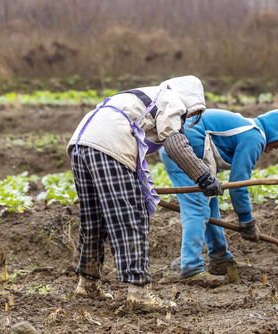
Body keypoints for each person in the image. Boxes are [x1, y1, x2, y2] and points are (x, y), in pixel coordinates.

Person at [66, 75, 222, 310]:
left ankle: (87, 285)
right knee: (132, 218)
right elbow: (175, 144)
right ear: (190, 102)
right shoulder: (172, 100)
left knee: (94, 220)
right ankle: (139, 293)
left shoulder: (145, 94)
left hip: (81, 144)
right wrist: (204, 176)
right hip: (109, 146)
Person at [159, 108, 278, 286]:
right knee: (197, 209)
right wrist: (246, 221)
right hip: (184, 152)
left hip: (185, 149)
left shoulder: (248, 127)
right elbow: (239, 184)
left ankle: (220, 257)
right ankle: (191, 268)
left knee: (210, 200)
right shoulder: (254, 137)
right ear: (275, 131)